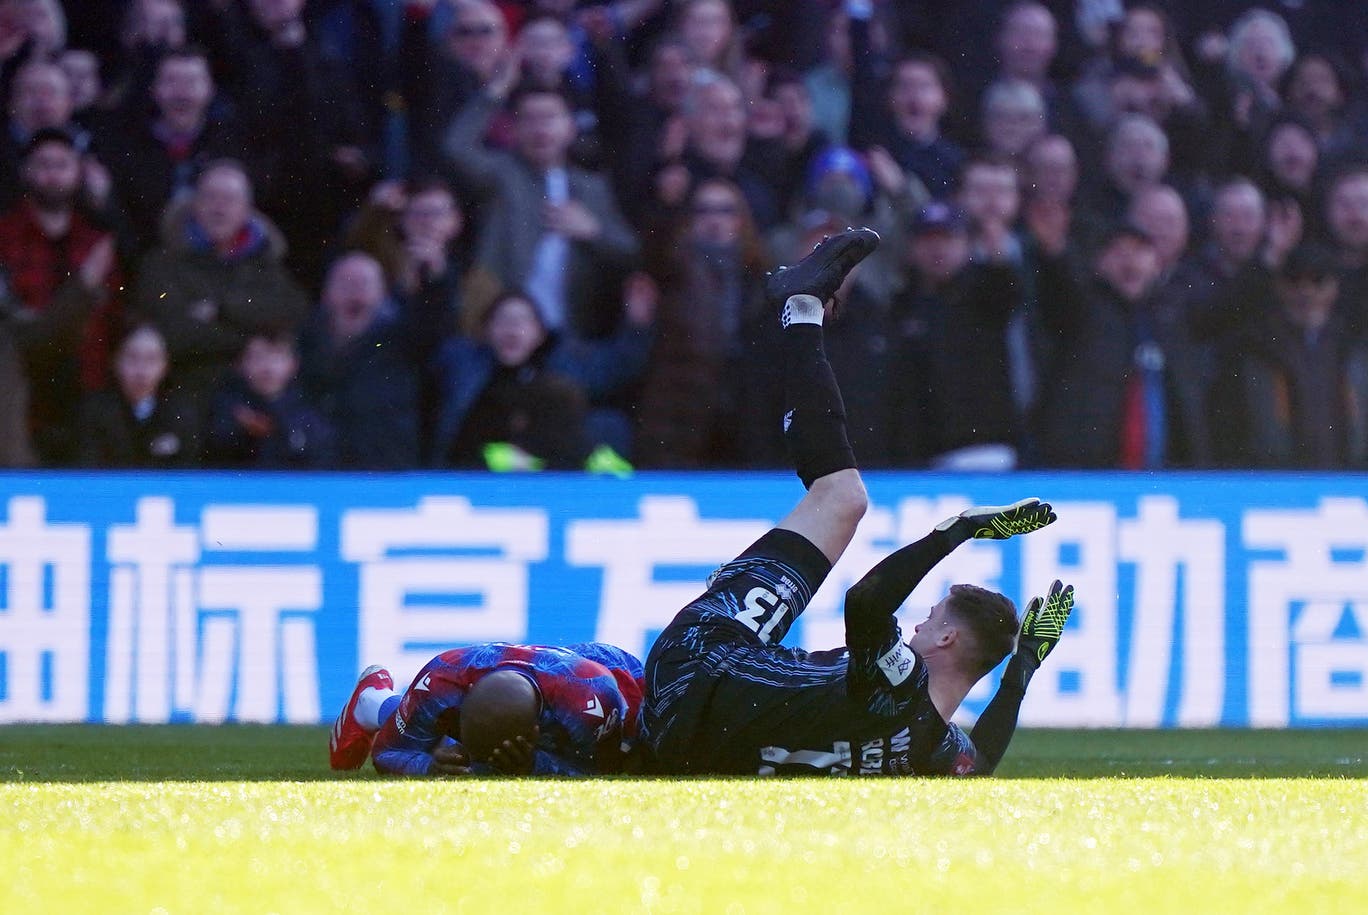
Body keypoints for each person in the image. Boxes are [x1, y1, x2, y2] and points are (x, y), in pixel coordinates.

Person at [642, 227, 1076, 776]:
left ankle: (801, 308)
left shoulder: (901, 686)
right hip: (685, 748)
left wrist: (955, 531)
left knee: (842, 497)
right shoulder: (937, 755)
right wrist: (1023, 667)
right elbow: (982, 758)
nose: (918, 627)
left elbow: (866, 603)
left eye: (931, 618)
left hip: (700, 665)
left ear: (947, 638)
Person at [328, 641, 646, 777]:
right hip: (548, 677)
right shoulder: (441, 680)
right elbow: (386, 753)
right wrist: (430, 767)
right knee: (424, 726)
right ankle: (372, 700)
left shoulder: (591, 706)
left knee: (643, 760)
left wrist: (535, 765)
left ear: (535, 733)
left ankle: (374, 703)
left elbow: (602, 772)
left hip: (618, 677)